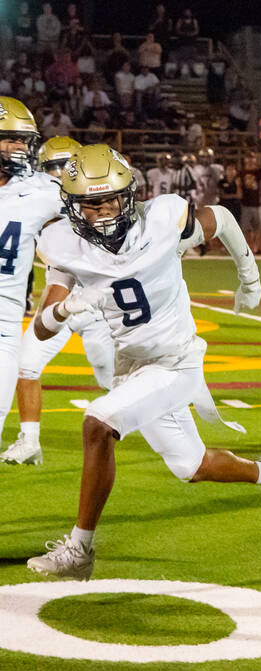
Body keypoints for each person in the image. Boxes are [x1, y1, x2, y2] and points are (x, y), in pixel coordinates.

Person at [26, 144, 261, 581]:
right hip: (131, 368)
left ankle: (79, 550)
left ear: (129, 195)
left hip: (177, 363)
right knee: (192, 467)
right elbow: (42, 329)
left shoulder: (162, 219)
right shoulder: (64, 244)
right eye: (89, 204)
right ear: (72, 206)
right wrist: (63, 309)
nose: (101, 213)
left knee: (98, 422)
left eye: (109, 201)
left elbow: (222, 218)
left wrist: (250, 279)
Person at [2, 135, 114, 466]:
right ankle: (29, 441)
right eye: (53, 166)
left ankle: (164, 419)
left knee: (109, 377)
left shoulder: (95, 204)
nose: (59, 173)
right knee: (26, 364)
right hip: (60, 302)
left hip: (98, 303)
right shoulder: (40, 198)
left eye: (66, 165)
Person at [0, 98, 69, 453]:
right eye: (10, 139)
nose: (19, 148)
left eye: (23, 141)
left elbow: (101, 216)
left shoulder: (43, 191)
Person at [238, 152, 261, 254]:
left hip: (257, 204)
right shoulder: (241, 172)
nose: (250, 160)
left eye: (252, 158)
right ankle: (247, 247)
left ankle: (255, 248)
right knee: (245, 228)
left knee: (257, 227)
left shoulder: (259, 172)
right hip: (246, 204)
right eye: (248, 158)